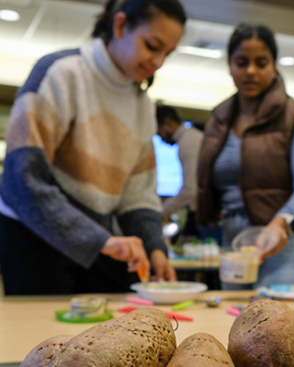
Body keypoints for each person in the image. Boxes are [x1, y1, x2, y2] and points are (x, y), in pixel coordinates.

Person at [0, 0, 185, 295]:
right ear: (120, 25)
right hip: (36, 236)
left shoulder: (142, 105)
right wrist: (102, 240)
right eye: (152, 46)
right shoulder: (62, 73)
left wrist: (155, 247)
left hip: (99, 237)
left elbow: (137, 196)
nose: (158, 61)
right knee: (43, 337)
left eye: (167, 53)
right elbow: (22, 180)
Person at [196, 23, 294, 290]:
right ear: (230, 65)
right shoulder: (219, 119)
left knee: (276, 324)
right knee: (235, 323)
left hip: (285, 241)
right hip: (234, 240)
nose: (250, 71)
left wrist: (281, 222)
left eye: (261, 62)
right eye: (241, 62)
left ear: (274, 65)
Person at [156, 105, 202, 216]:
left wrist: (159, 212)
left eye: (159, 132)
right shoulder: (191, 137)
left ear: (168, 123)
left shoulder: (188, 142)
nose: (160, 138)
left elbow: (190, 190)